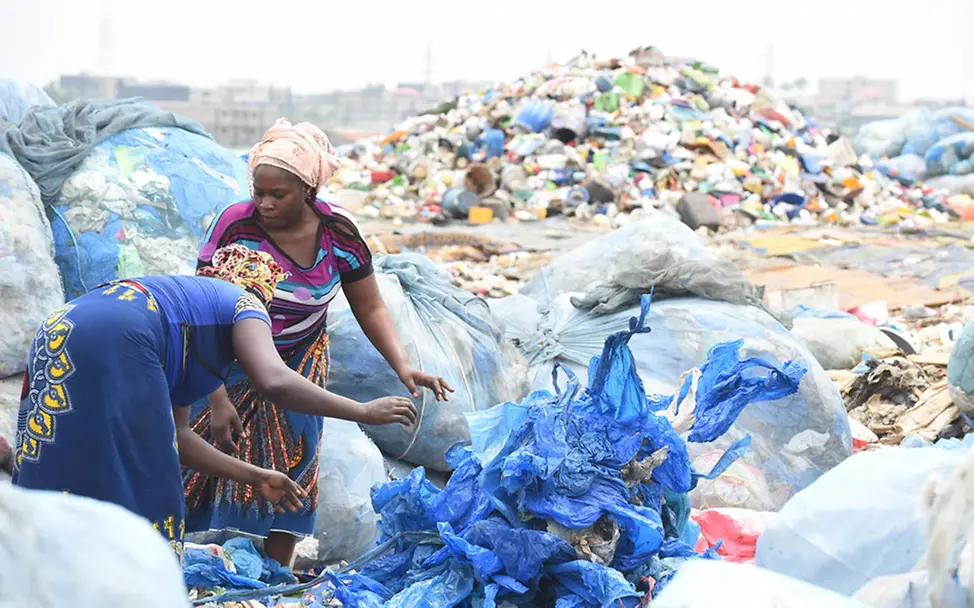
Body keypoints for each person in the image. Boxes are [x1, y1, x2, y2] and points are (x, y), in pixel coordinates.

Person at [12, 245, 417, 562]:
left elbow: (183, 436)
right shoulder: (245, 304)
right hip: (121, 339)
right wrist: (362, 411)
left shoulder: (187, 324)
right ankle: (144, 587)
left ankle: (39, 576)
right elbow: (273, 379)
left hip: (59, 328)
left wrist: (255, 477)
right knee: (151, 481)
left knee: (66, 461)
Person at [184, 118, 454, 567]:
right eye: (259, 192)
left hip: (299, 355)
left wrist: (403, 365)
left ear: (308, 191)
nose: (265, 204)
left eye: (278, 195)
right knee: (196, 452)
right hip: (225, 355)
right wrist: (214, 396)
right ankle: (174, 560)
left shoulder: (339, 233)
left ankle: (275, 573)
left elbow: (369, 306)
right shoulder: (235, 225)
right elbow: (201, 314)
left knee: (296, 461)